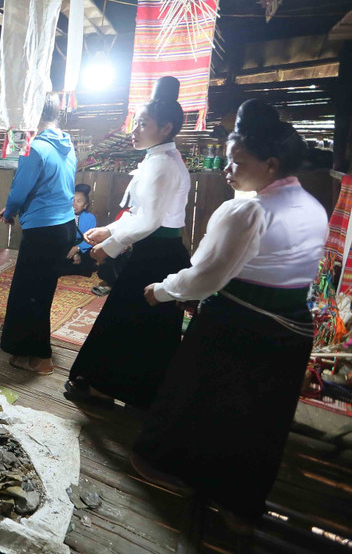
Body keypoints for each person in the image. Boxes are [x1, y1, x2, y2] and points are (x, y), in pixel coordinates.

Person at [131, 101, 326, 535]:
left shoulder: (248, 212)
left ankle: (163, 465)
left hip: (237, 320)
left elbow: (205, 276)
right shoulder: (312, 207)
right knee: (258, 420)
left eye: (237, 162)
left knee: (195, 397)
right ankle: (238, 496)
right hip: (291, 328)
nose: (228, 170)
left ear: (270, 164)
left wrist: (162, 291)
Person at [66, 76, 191, 408]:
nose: (134, 129)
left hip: (157, 255)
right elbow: (143, 213)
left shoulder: (163, 164)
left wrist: (109, 245)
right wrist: (108, 230)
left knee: (126, 320)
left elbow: (150, 221)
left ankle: (109, 388)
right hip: (156, 251)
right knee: (139, 325)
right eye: (135, 122)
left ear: (165, 128)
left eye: (143, 123)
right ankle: (131, 390)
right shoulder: (157, 157)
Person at [0, 94, 77, 374]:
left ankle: (42, 358)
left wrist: (9, 212)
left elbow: (20, 189)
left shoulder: (36, 148)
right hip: (65, 225)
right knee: (40, 290)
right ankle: (27, 350)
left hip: (44, 230)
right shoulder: (67, 143)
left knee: (31, 293)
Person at [58, 183, 98, 277]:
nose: (74, 204)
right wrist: (72, 251)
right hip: (66, 247)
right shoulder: (62, 216)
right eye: (72, 200)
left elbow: (90, 239)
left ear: (85, 205)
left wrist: (77, 249)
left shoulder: (90, 218)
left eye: (79, 201)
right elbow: (59, 237)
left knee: (88, 260)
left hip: (82, 248)